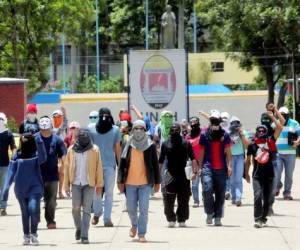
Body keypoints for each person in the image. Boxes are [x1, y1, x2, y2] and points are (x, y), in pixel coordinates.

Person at [118, 120, 160, 243]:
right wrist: (120, 180)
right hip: (130, 182)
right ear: (132, 129)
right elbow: (122, 163)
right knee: (131, 208)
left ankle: (142, 233)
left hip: (145, 183)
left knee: (144, 209)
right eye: (136, 128)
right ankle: (134, 225)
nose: (138, 130)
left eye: (141, 128)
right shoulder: (128, 143)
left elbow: (155, 165)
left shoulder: (150, 145)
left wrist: (157, 182)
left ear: (145, 130)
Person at [1, 133, 46, 245]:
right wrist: (5, 191)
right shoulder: (16, 156)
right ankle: (26, 235)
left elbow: (43, 158)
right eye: (23, 140)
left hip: (35, 187)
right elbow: (10, 174)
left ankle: (34, 234)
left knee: (33, 208)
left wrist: (39, 141)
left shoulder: (36, 154)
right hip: (21, 189)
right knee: (25, 212)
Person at [64, 129, 104, 244]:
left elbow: (99, 167)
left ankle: (85, 235)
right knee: (75, 208)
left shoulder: (94, 149)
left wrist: (99, 185)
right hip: (76, 183)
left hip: (89, 183)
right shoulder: (71, 150)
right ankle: (79, 228)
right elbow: (67, 167)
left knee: (87, 209)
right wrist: (66, 185)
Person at [245, 112, 282, 228]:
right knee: (257, 195)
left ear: (266, 132)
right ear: (256, 132)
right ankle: (257, 219)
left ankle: (263, 218)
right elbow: (248, 160)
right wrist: (246, 173)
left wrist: (272, 116)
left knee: (267, 199)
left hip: (269, 175)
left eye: (263, 131)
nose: (261, 132)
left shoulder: (270, 142)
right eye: (259, 131)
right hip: (257, 175)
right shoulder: (252, 145)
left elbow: (280, 127)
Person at [159, 123, 197, 228]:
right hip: (170, 175)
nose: (174, 132)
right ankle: (171, 218)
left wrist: (195, 172)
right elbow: (161, 161)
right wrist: (158, 175)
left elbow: (193, 158)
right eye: (173, 130)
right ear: (170, 131)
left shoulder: (186, 143)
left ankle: (182, 219)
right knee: (168, 199)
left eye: (176, 130)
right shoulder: (165, 144)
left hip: (184, 175)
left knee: (184, 199)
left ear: (179, 131)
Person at [199, 111, 232, 226]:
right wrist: (200, 166)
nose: (214, 121)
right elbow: (202, 151)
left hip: (221, 169)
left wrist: (229, 166)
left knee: (220, 194)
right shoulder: (204, 135)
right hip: (208, 167)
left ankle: (218, 217)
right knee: (207, 190)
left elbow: (228, 151)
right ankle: (209, 213)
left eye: (215, 119)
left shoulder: (225, 135)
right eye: (212, 119)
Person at [90, 108, 121, 227]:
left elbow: (118, 149)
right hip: (96, 166)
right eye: (102, 115)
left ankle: (107, 218)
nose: (104, 117)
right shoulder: (91, 129)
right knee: (96, 192)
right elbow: (89, 149)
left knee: (109, 193)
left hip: (110, 166)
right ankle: (97, 213)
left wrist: (120, 166)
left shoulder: (115, 130)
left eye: (107, 115)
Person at [35, 116, 67, 229]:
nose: (44, 131)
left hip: (53, 175)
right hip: (37, 175)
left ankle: (50, 221)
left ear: (51, 127)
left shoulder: (57, 139)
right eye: (42, 129)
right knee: (36, 198)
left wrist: (63, 165)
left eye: (47, 129)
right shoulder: (35, 139)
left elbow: (63, 153)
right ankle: (35, 219)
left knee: (51, 200)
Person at [275, 107, 300, 200]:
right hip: (277, 153)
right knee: (277, 173)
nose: (282, 116)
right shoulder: (275, 122)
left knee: (289, 174)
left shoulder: (294, 123)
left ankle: (287, 193)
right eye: (281, 114)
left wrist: (297, 142)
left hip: (290, 153)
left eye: (284, 114)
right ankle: (277, 186)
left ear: (287, 114)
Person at [229, 116, 249, 206]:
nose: (235, 126)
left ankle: (238, 198)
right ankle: (233, 197)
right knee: (232, 179)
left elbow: (246, 146)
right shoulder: (228, 133)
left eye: (237, 123)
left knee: (238, 179)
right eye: (234, 123)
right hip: (231, 157)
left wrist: (242, 135)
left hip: (240, 157)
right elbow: (227, 147)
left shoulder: (243, 133)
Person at [0, 112, 16, 216]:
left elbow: (13, 147)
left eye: (2, 120)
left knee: (4, 188)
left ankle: (3, 207)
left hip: (5, 164)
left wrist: (13, 158)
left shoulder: (9, 134)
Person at [52, 108, 68, 199]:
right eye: (55, 116)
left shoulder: (63, 126)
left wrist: (64, 113)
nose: (57, 118)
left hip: (62, 151)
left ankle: (60, 192)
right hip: (53, 151)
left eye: (59, 116)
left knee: (61, 172)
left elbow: (65, 121)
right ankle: (52, 192)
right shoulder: (50, 127)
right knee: (54, 172)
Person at [186, 117, 202, 207]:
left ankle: (206, 198)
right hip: (192, 161)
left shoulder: (203, 132)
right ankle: (196, 201)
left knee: (205, 183)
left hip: (203, 160)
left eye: (195, 122)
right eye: (191, 123)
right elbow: (189, 144)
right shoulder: (188, 135)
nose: (193, 124)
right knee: (194, 183)